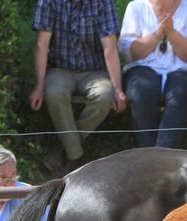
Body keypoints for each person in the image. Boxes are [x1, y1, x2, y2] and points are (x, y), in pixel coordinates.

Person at [30, 0, 127, 179]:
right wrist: (39, 85)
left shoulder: (103, 3)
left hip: (95, 70)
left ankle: (64, 150)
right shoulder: (49, 2)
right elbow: (41, 45)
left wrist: (117, 88)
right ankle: (78, 159)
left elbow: (110, 47)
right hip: (60, 68)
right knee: (54, 93)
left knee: (104, 95)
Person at [119, 0, 187, 148]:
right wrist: (157, 35)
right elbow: (130, 53)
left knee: (181, 93)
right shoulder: (136, 7)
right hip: (142, 67)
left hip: (181, 71)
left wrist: (171, 33)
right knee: (142, 91)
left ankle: (161, 159)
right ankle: (151, 159)